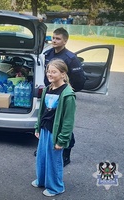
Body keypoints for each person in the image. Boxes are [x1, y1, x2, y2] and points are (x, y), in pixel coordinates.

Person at [34, 27, 86, 167]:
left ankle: (66, 153)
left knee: (63, 123)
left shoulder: (71, 58)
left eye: (58, 38)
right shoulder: (48, 53)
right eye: (53, 37)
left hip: (62, 95)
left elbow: (80, 80)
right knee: (47, 119)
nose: (54, 41)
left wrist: (67, 91)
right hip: (50, 92)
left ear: (65, 41)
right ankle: (44, 147)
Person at [32, 58, 76, 197]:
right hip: (45, 129)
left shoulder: (68, 95)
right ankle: (42, 181)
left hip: (55, 133)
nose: (49, 74)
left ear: (63, 74)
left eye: (54, 72)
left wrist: (61, 140)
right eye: (48, 72)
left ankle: (56, 187)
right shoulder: (47, 89)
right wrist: (38, 127)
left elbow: (68, 121)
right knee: (42, 157)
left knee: (54, 160)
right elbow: (43, 112)